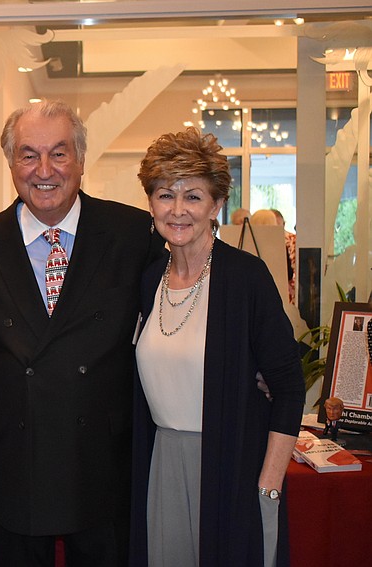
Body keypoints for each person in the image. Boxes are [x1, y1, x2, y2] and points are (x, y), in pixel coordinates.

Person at [0, 99, 165, 566]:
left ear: (81, 160)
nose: (44, 169)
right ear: (11, 163)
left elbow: (181, 309)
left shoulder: (134, 235)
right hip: (15, 467)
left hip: (104, 468)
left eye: (59, 152)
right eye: (29, 154)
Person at [131, 127, 305, 567]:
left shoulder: (246, 279)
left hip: (232, 465)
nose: (177, 210)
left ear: (216, 204)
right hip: (162, 467)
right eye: (165, 194)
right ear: (150, 202)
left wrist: (269, 482)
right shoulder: (149, 278)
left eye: (193, 196)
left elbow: (287, 387)